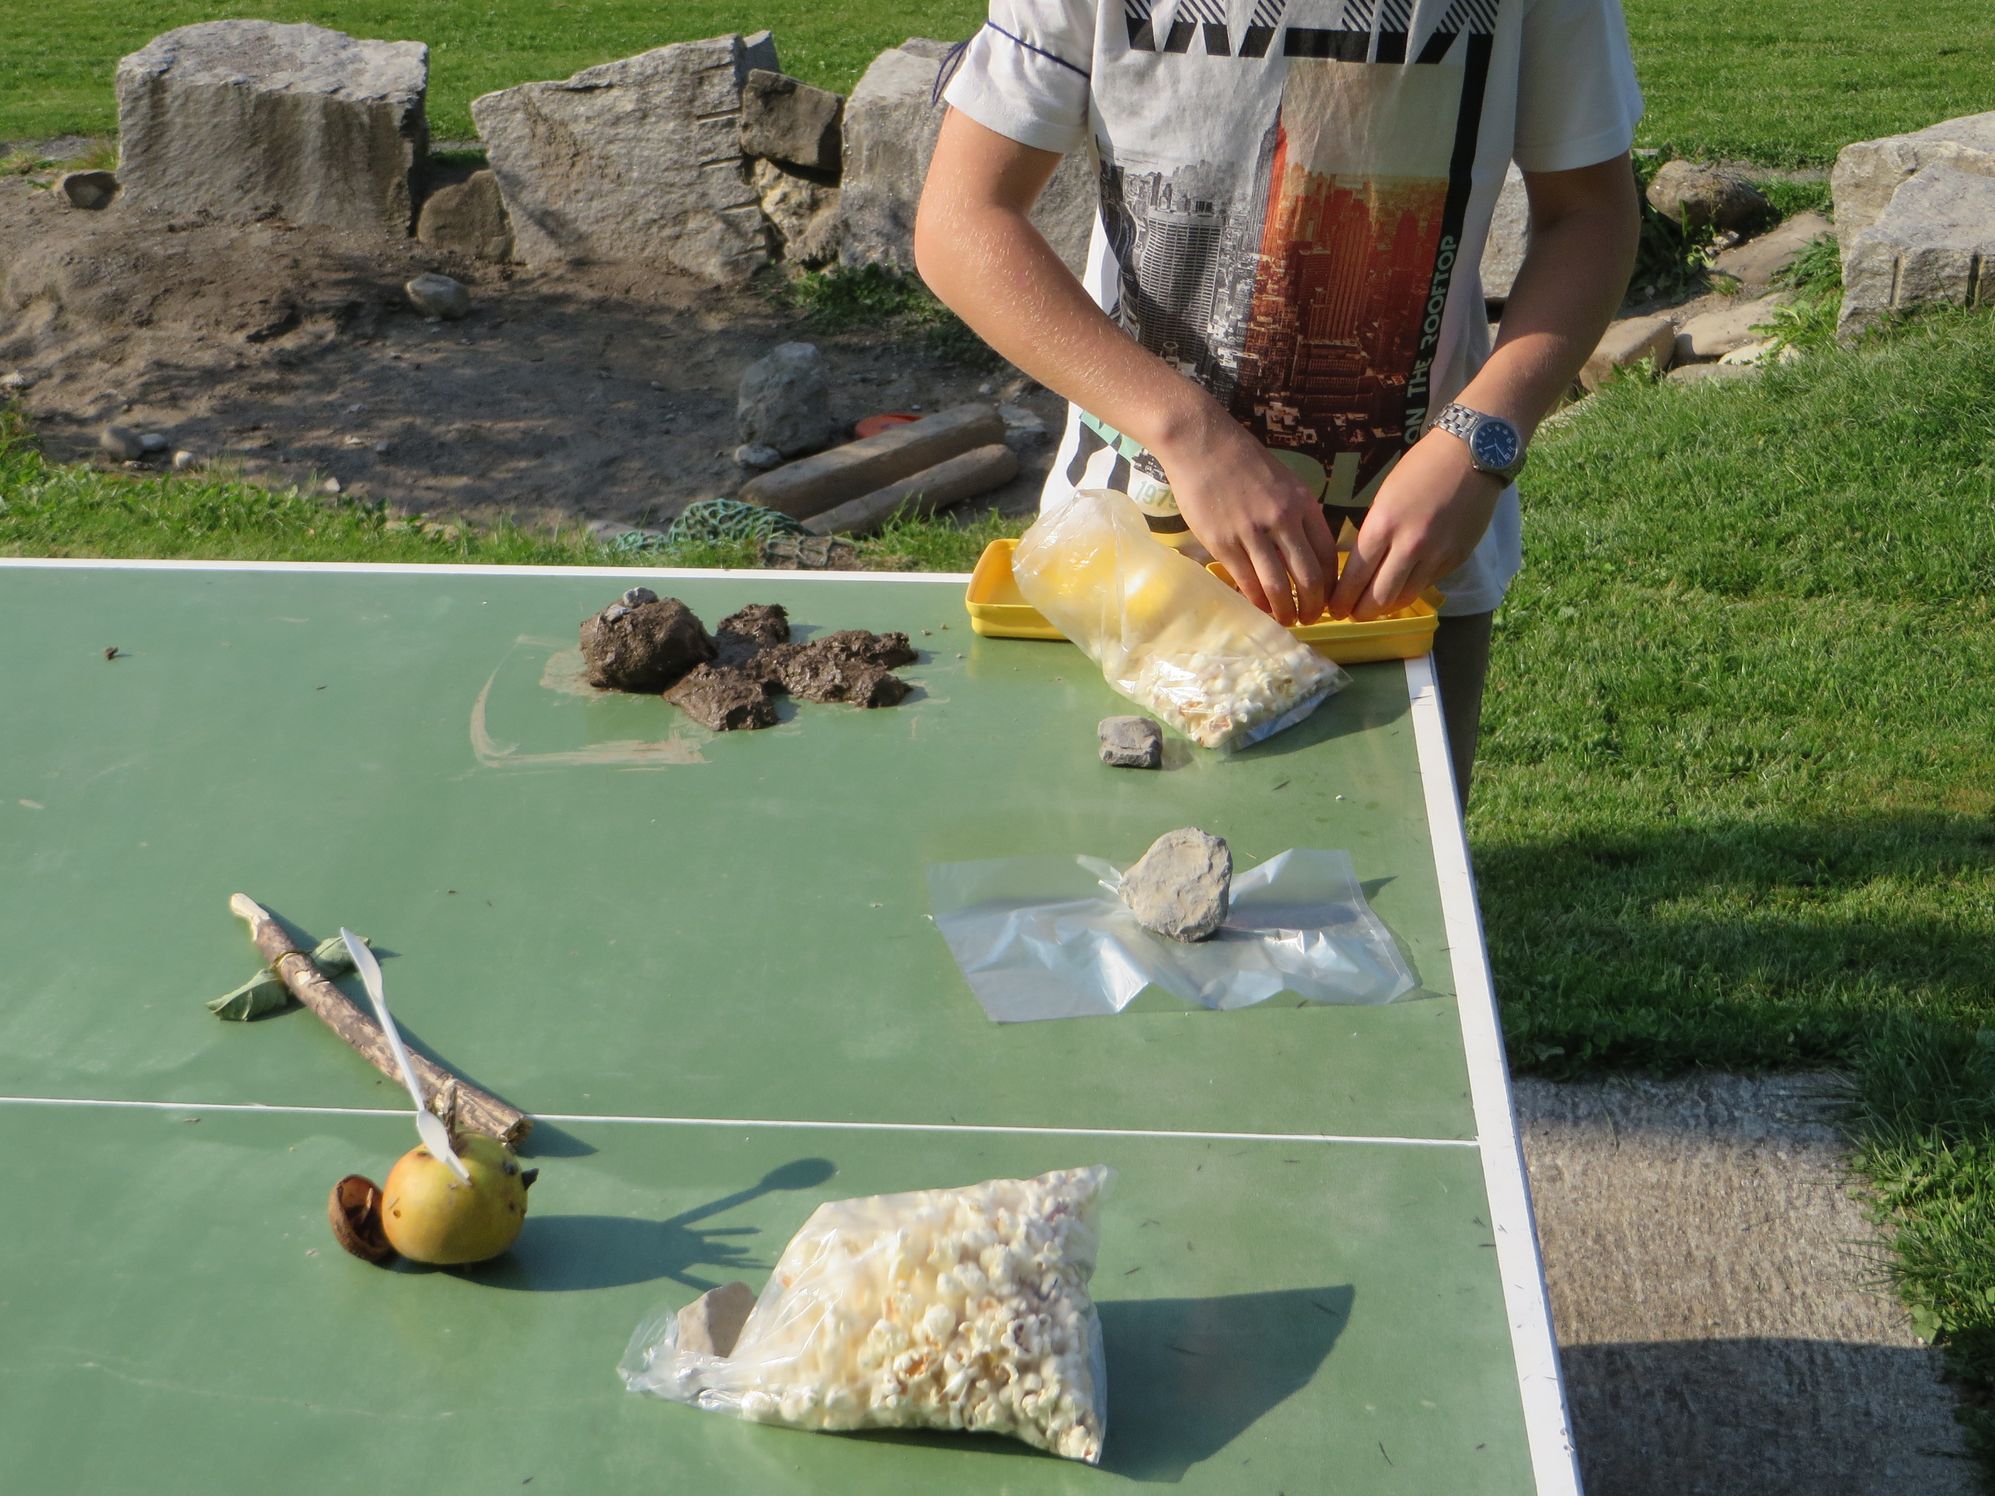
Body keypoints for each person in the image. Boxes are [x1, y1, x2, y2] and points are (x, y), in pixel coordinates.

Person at [914, 0, 1643, 802]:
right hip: (1125, 560)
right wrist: (1189, 434)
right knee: (1118, 861)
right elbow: (962, 220)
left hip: (1400, 577)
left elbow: (1588, 213)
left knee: (1395, 866)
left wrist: (1480, 439)